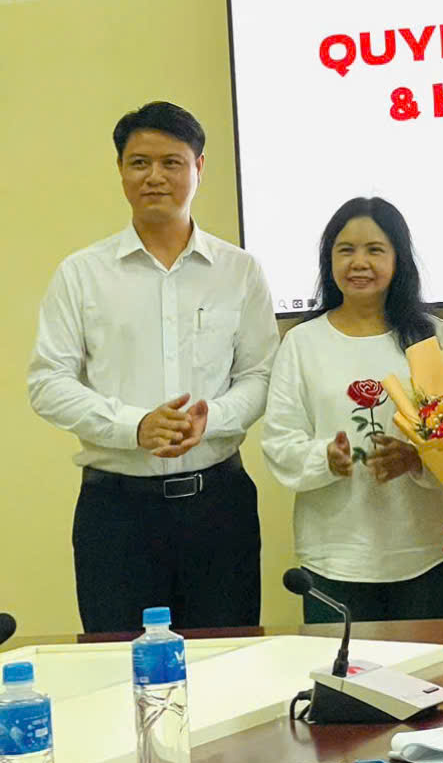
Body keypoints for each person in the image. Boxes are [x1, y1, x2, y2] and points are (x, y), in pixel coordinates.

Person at [28, 100, 278, 632]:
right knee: (120, 663)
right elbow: (47, 382)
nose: (154, 176)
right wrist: (134, 426)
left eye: (171, 162)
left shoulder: (239, 271)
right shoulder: (81, 274)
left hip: (219, 507)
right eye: (139, 163)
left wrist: (213, 417)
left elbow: (259, 376)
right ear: (120, 170)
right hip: (116, 514)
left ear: (199, 167)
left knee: (227, 659)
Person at [262, 197, 443, 622]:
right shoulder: (302, 343)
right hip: (335, 557)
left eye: (375, 250)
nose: (359, 262)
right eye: (346, 250)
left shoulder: (434, 336)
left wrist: (416, 458)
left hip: (428, 551)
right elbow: (279, 440)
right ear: (329, 259)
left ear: (398, 259)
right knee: (344, 668)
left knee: (430, 666)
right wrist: (325, 458)